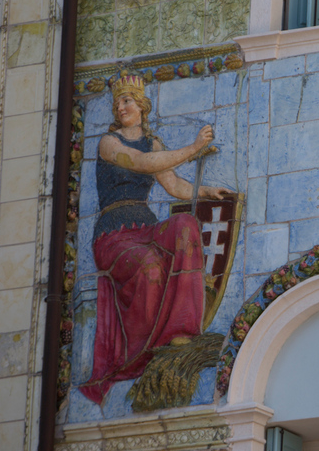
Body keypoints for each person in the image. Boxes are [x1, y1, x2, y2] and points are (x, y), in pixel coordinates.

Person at [79, 75, 232, 404]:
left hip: (145, 226)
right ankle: (143, 351)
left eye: (128, 101)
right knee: (150, 266)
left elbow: (173, 185)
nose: (122, 107)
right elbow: (142, 164)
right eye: (118, 102)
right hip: (114, 234)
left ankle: (182, 330)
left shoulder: (153, 142)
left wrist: (206, 191)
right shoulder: (109, 143)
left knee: (184, 224)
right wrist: (193, 149)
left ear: (142, 106)